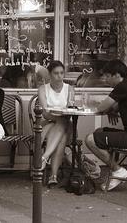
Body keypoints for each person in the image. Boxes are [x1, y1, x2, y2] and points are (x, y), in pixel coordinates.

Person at [85, 60, 127, 191]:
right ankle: (115, 170)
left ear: (116, 75)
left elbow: (101, 108)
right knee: (99, 131)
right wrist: (111, 110)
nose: (105, 79)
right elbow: (114, 107)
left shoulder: (122, 87)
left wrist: (101, 106)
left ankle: (118, 170)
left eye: (107, 76)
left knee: (90, 139)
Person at [37, 60, 73, 188]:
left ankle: (44, 157)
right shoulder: (42, 89)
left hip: (65, 124)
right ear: (50, 74)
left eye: (62, 73)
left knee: (63, 123)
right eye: (56, 73)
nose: (59, 76)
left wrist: (59, 117)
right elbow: (45, 113)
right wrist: (57, 118)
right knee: (61, 136)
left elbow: (71, 109)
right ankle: (54, 175)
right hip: (48, 123)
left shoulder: (69, 89)